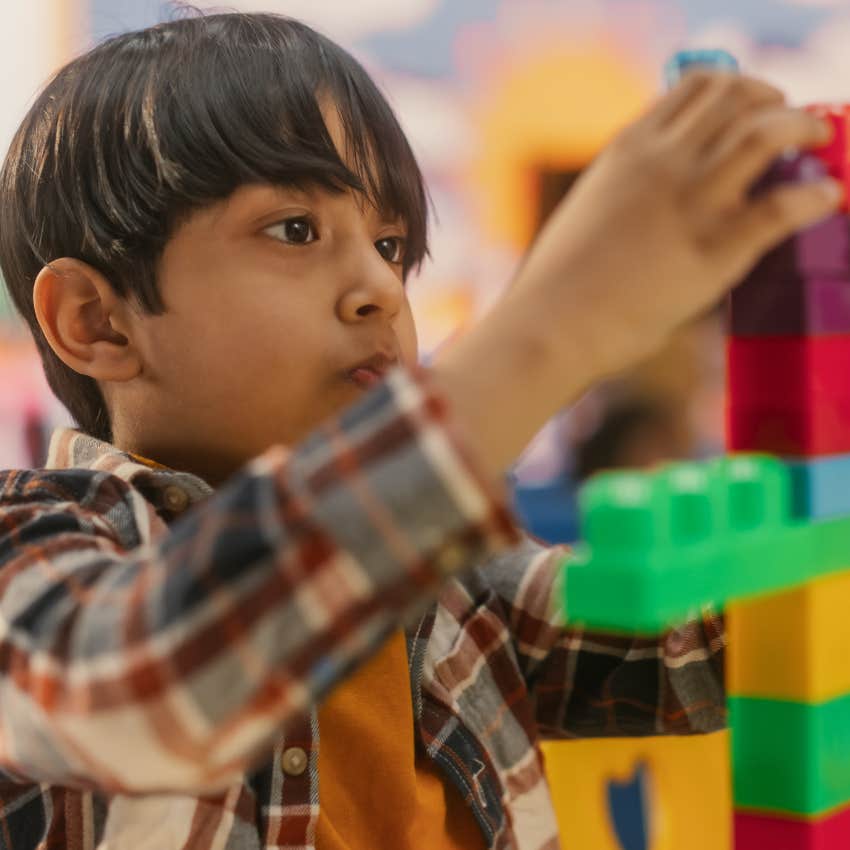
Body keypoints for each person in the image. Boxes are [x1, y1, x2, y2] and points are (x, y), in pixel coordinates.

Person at [0, 12, 839, 850]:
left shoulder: (459, 587)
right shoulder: (37, 551)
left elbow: (720, 648)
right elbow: (148, 694)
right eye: (295, 229)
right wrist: (555, 328)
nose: (379, 288)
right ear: (96, 321)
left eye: (391, 243)